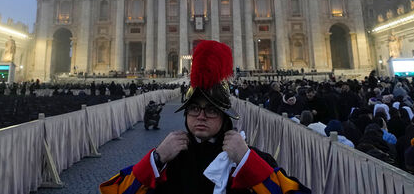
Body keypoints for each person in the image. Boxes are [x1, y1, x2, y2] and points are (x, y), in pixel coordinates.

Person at [100, 41, 310, 193]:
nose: (201, 116)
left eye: (211, 110)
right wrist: (156, 158)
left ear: (224, 117)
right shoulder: (167, 159)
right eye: (194, 109)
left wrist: (247, 161)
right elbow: (115, 190)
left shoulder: (249, 159)